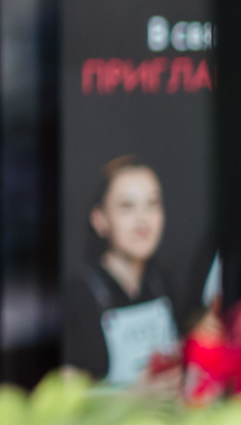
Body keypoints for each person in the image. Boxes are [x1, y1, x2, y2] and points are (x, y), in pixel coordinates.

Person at [59, 156, 183, 388]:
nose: (143, 220)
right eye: (127, 206)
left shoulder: (162, 282)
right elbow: (66, 396)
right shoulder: (80, 296)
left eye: (152, 204)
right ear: (100, 220)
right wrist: (134, 396)